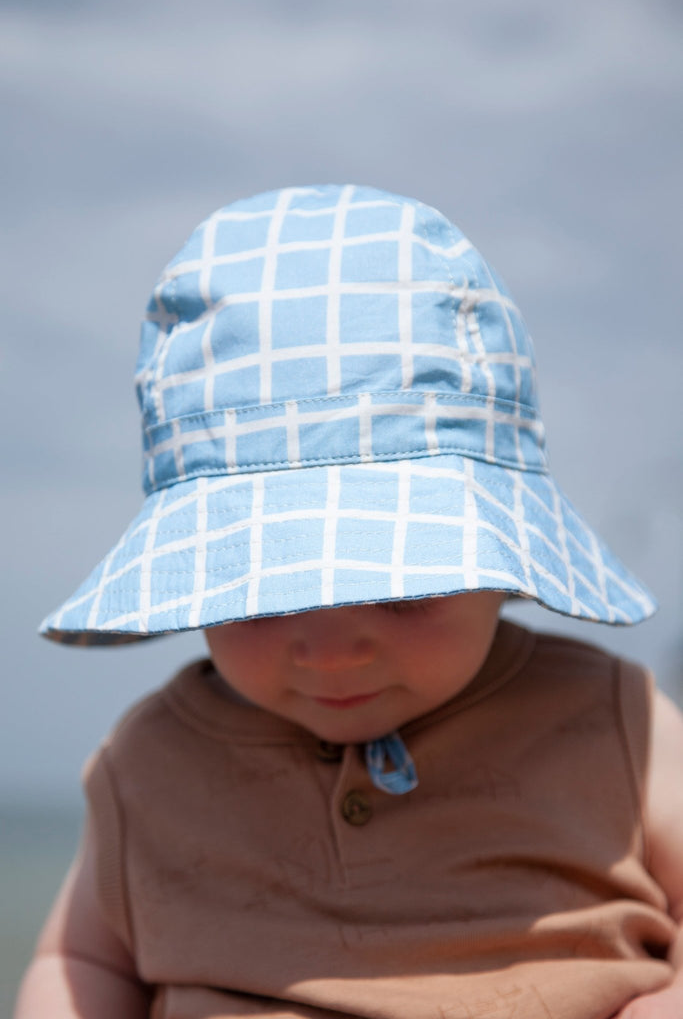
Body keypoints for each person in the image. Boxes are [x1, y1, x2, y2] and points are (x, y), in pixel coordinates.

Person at [14, 185, 683, 1019]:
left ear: (500, 567)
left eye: (403, 590)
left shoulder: (613, 721)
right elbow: (79, 959)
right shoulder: (150, 759)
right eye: (262, 598)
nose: (330, 652)